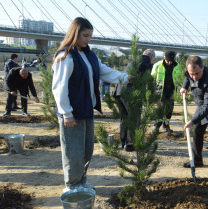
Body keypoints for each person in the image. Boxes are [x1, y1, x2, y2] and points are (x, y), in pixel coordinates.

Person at [52, 17, 130, 193]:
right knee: (73, 151)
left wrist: (125, 78)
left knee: (87, 150)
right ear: (75, 33)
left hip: (86, 110)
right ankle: (72, 185)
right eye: (85, 35)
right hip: (72, 114)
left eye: (90, 36)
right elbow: (59, 87)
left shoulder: (90, 55)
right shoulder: (66, 56)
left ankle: (81, 181)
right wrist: (66, 113)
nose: (88, 39)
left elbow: (105, 72)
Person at [114, 49, 155, 151]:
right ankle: (130, 144)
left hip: (119, 91)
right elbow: (144, 75)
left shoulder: (135, 60)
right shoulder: (145, 60)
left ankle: (123, 141)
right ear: (151, 57)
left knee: (124, 118)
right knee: (134, 118)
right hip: (131, 92)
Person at [151, 50, 183, 133]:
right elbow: (152, 78)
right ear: (164, 57)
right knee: (160, 109)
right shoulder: (157, 65)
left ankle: (166, 125)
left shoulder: (177, 66)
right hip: (161, 90)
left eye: (171, 61)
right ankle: (157, 126)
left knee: (169, 109)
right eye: (168, 60)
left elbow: (180, 78)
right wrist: (153, 91)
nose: (169, 62)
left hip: (172, 90)